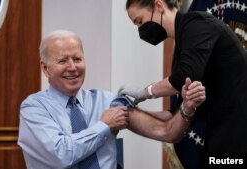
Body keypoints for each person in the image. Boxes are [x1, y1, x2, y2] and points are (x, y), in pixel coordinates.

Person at [17, 30, 205, 169]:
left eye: (77, 58)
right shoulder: (33, 108)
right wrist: (103, 126)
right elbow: (61, 155)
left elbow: (165, 131)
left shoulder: (106, 101)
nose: (72, 67)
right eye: (62, 61)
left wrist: (187, 107)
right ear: (45, 68)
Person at [119, 0, 247, 168]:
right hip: (221, 131)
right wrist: (132, 112)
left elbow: (183, 77)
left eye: (140, 21)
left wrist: (144, 92)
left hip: (238, 133)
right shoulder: (183, 42)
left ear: (158, 5)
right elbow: (176, 114)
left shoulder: (197, 24)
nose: (140, 29)